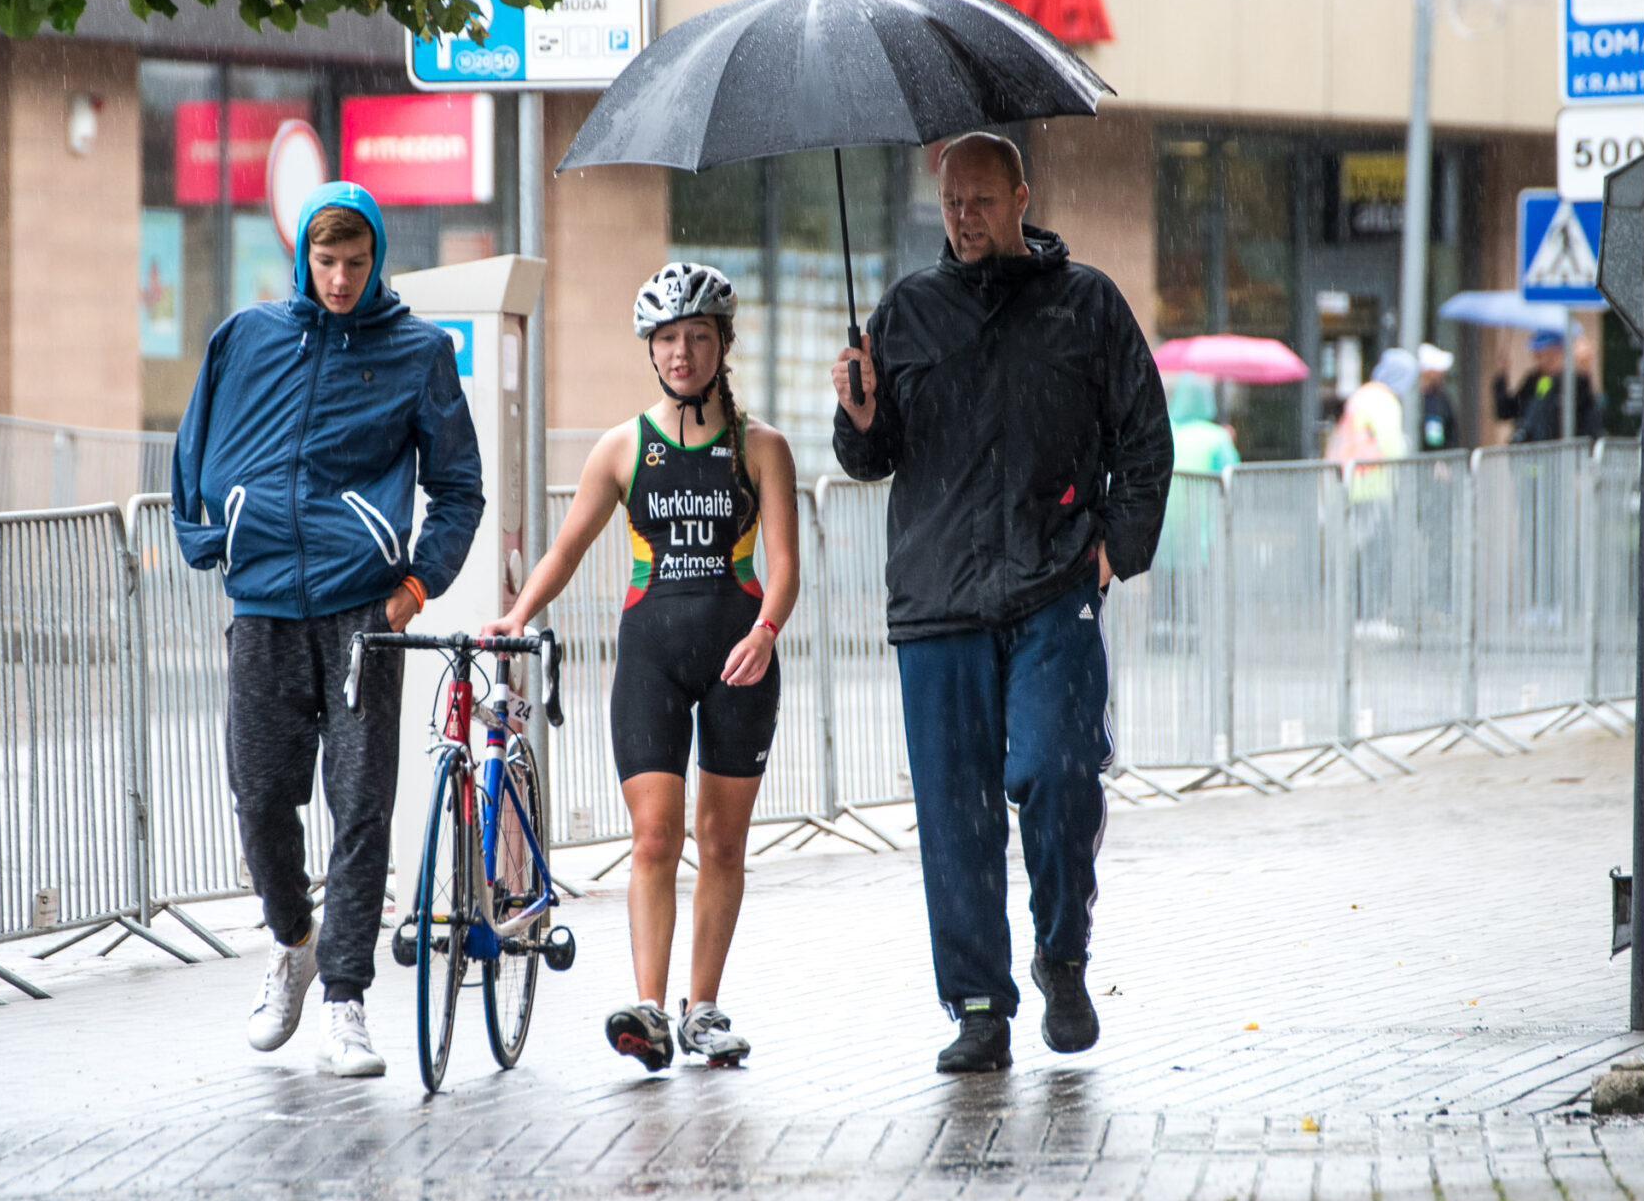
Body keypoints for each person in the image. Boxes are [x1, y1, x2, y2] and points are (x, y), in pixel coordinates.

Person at [831, 132, 1174, 1073]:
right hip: (937, 602)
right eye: (951, 203)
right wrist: (859, 415)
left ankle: (1063, 954)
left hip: (1053, 587)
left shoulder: (1087, 304)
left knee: (1060, 771)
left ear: (1022, 197)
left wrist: (1113, 551)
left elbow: (1145, 438)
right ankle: (979, 1007)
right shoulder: (905, 312)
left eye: (982, 200)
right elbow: (869, 457)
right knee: (956, 814)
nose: (965, 217)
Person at [170, 183, 484, 1078]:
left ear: (377, 258)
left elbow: (459, 488)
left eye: (355, 262)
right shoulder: (246, 338)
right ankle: (294, 941)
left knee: (361, 805)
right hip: (264, 603)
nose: (341, 279)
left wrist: (415, 588)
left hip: (362, 611)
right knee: (261, 796)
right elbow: (191, 450)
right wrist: (210, 539)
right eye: (326, 261)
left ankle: (345, 999)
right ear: (303, 258)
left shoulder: (418, 352)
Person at [485, 263, 799, 1071]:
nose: (681, 352)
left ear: (723, 343)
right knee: (655, 835)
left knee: (720, 841)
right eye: (666, 339)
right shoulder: (623, 447)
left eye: (697, 337)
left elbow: (787, 566)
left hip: (740, 657)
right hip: (650, 656)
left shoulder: (762, 447)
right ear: (650, 350)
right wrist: (518, 615)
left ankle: (704, 1008)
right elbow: (566, 549)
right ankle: (651, 1010)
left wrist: (766, 631)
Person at [1492, 328, 1600, 444]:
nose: (1536, 358)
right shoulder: (1536, 380)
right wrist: (1501, 379)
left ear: (1556, 352)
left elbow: (1585, 408)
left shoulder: (1573, 381)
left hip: (1557, 450)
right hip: (1533, 449)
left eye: (1540, 354)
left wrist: (1583, 366)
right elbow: (1507, 411)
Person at [1325, 347, 1413, 468]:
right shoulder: (1384, 399)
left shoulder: (1362, 394)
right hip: (1372, 470)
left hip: (1348, 466)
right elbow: (1389, 441)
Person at [1165, 374, 1240, 476]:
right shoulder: (1218, 436)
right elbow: (1234, 475)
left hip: (1168, 486)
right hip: (1207, 487)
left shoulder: (1165, 431)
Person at [1416, 342, 1461, 451]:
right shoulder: (1415, 400)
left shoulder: (1441, 398)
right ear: (1428, 372)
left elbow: (1450, 432)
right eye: (1439, 372)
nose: (1442, 375)